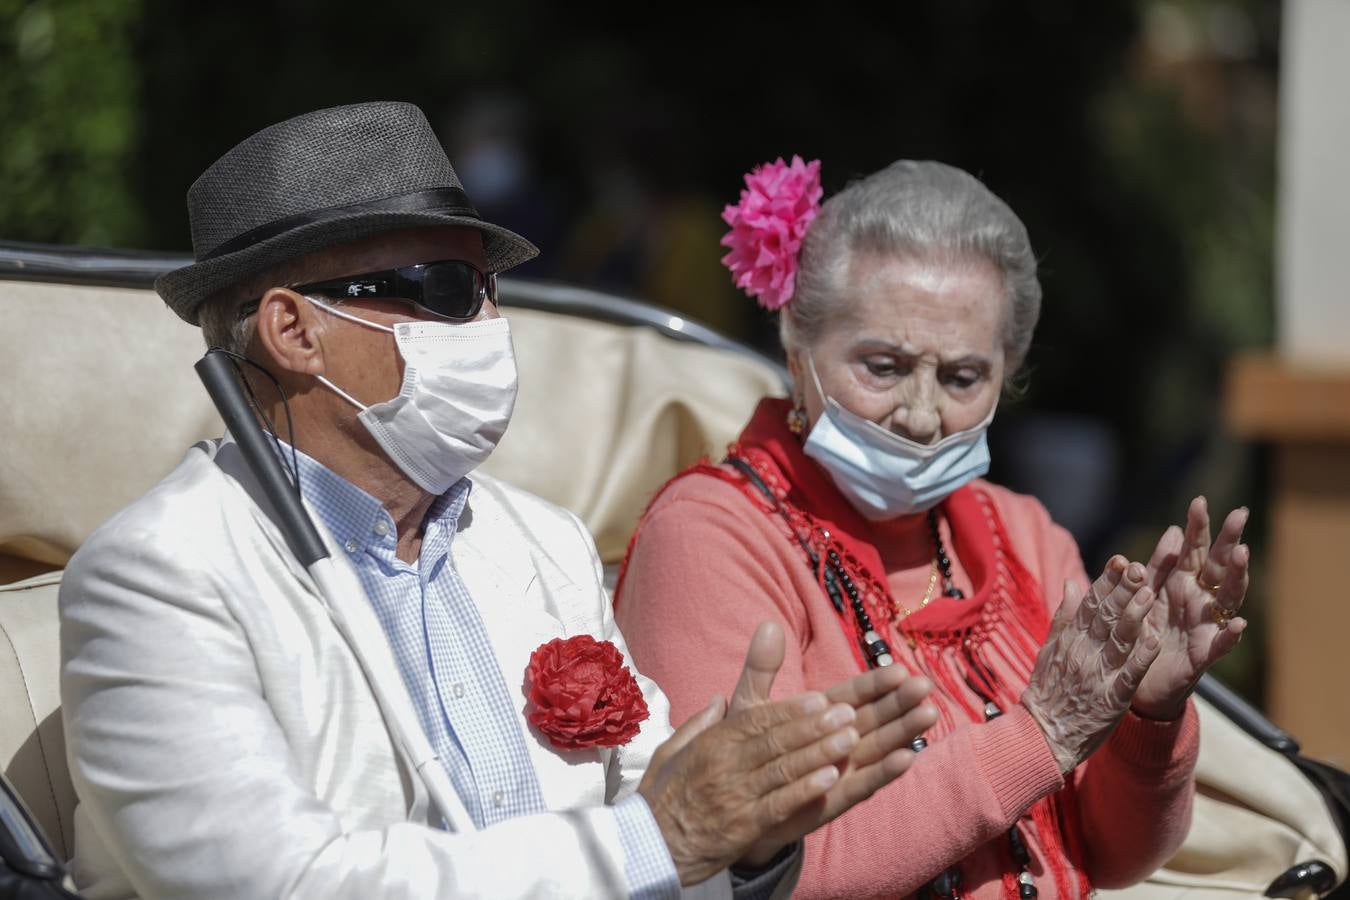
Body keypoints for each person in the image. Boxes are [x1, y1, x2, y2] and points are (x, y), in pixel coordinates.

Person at [57, 105, 941, 900]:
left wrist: (746, 839)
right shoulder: (155, 574)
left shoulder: (544, 543)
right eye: (445, 291)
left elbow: (663, 853)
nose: (489, 327)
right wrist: (667, 835)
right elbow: (278, 883)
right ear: (294, 330)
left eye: (489, 291)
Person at [615, 157, 1252, 900]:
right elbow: (756, 870)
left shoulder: (1024, 534)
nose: (920, 417)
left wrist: (1149, 713)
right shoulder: (712, 537)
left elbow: (1109, 858)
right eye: (883, 366)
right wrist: (1036, 734)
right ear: (795, 341)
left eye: (960, 378)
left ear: (1007, 373)